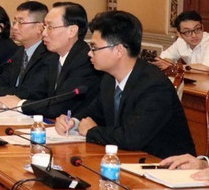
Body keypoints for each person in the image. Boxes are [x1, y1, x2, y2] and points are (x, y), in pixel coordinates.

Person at [55, 11, 195, 160]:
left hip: (166, 168)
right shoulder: (109, 79)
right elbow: (93, 112)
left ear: (119, 50)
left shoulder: (153, 85)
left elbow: (132, 138)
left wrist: (92, 131)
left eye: (94, 47)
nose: (89, 53)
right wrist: (72, 122)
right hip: (129, 161)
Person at [0, 2, 101, 117]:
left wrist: (20, 104)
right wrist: (2, 104)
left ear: (72, 31)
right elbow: (36, 94)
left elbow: (59, 107)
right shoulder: (53, 58)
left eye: (50, 27)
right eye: (44, 27)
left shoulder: (85, 61)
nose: (43, 33)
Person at [0, 1, 55, 108]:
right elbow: (4, 79)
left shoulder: (49, 55)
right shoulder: (20, 51)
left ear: (40, 27)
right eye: (14, 22)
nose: (15, 27)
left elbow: (29, 92)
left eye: (21, 22)